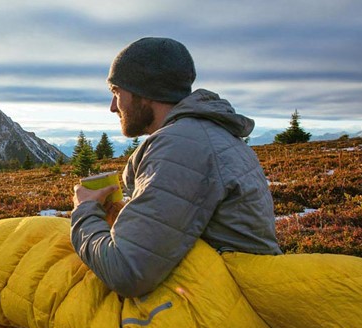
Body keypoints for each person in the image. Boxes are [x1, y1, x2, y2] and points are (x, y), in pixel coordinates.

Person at [71, 37, 282, 299]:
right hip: (230, 293)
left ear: (144, 93)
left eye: (116, 92)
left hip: (227, 303)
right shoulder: (201, 134)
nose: (113, 107)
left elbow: (127, 272)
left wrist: (84, 211)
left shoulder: (182, 145)